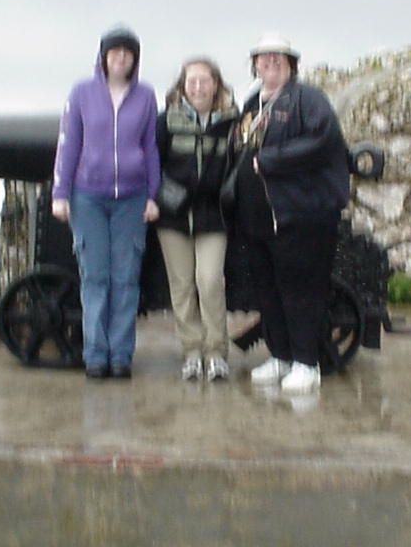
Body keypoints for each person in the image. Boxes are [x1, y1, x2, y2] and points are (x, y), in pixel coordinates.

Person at [230, 32, 349, 394]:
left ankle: (306, 363)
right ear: (255, 66)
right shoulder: (252, 103)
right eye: (263, 59)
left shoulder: (307, 98)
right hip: (260, 217)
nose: (270, 64)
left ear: (291, 65)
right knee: (269, 291)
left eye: (278, 59)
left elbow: (323, 139)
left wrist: (270, 160)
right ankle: (281, 355)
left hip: (301, 215)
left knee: (302, 291)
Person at [51, 25, 160, 379]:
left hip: (131, 197)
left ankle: (121, 356)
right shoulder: (82, 92)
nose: (121, 58)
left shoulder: (145, 96)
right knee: (95, 277)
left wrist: (153, 195)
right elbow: (69, 143)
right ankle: (96, 355)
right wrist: (60, 193)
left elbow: (150, 147)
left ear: (135, 60)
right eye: (115, 52)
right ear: (103, 57)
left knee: (125, 279)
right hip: (88, 197)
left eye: (128, 53)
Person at [156, 57, 239, 382]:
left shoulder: (231, 123)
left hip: (212, 215)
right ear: (182, 86)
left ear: (216, 85)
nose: (198, 87)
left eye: (204, 81)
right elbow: (152, 164)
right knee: (182, 286)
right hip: (174, 215)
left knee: (210, 281)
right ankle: (192, 352)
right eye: (192, 81)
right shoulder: (166, 121)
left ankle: (215, 352)